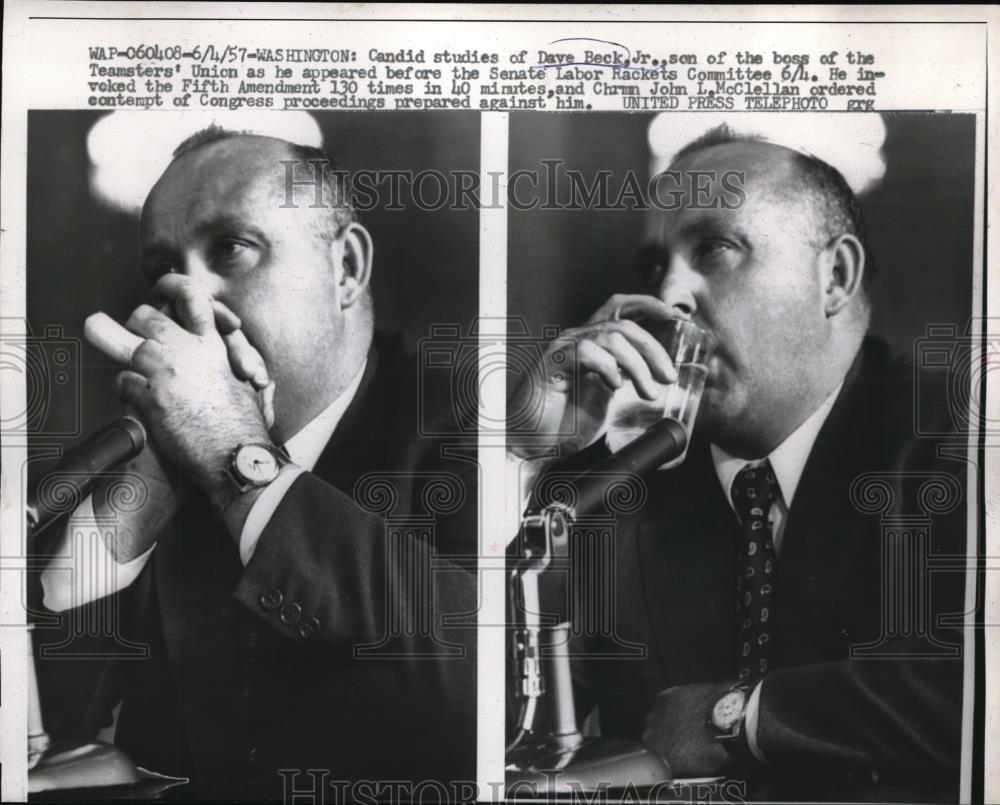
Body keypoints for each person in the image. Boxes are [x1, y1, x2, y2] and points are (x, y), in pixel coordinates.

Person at [508, 123, 969, 798]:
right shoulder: (601, 484)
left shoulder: (960, 449)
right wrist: (523, 451)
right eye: (653, 266)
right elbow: (457, 704)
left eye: (716, 249)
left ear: (834, 275)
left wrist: (741, 716)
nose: (668, 297)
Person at [34, 127, 477, 800]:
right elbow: (47, 738)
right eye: (164, 272)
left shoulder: (477, 430)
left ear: (346, 268)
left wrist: (231, 454)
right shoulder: (164, 448)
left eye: (231, 249)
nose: (190, 302)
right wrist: (137, 509)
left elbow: (474, 700)